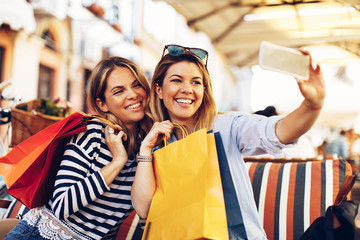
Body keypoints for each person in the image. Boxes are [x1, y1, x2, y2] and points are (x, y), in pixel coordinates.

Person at [131, 44, 326, 239]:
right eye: (176, 80)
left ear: (204, 90)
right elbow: (145, 209)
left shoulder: (226, 126)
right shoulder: (155, 141)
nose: (187, 89)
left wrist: (312, 105)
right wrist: (146, 149)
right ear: (158, 90)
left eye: (196, 82)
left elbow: (278, 132)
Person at [5, 56, 154, 240]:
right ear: (102, 104)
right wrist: (117, 162)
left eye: (137, 85)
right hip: (44, 235)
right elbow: (61, 206)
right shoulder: (93, 132)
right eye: (119, 91)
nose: (133, 94)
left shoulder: (146, 146)